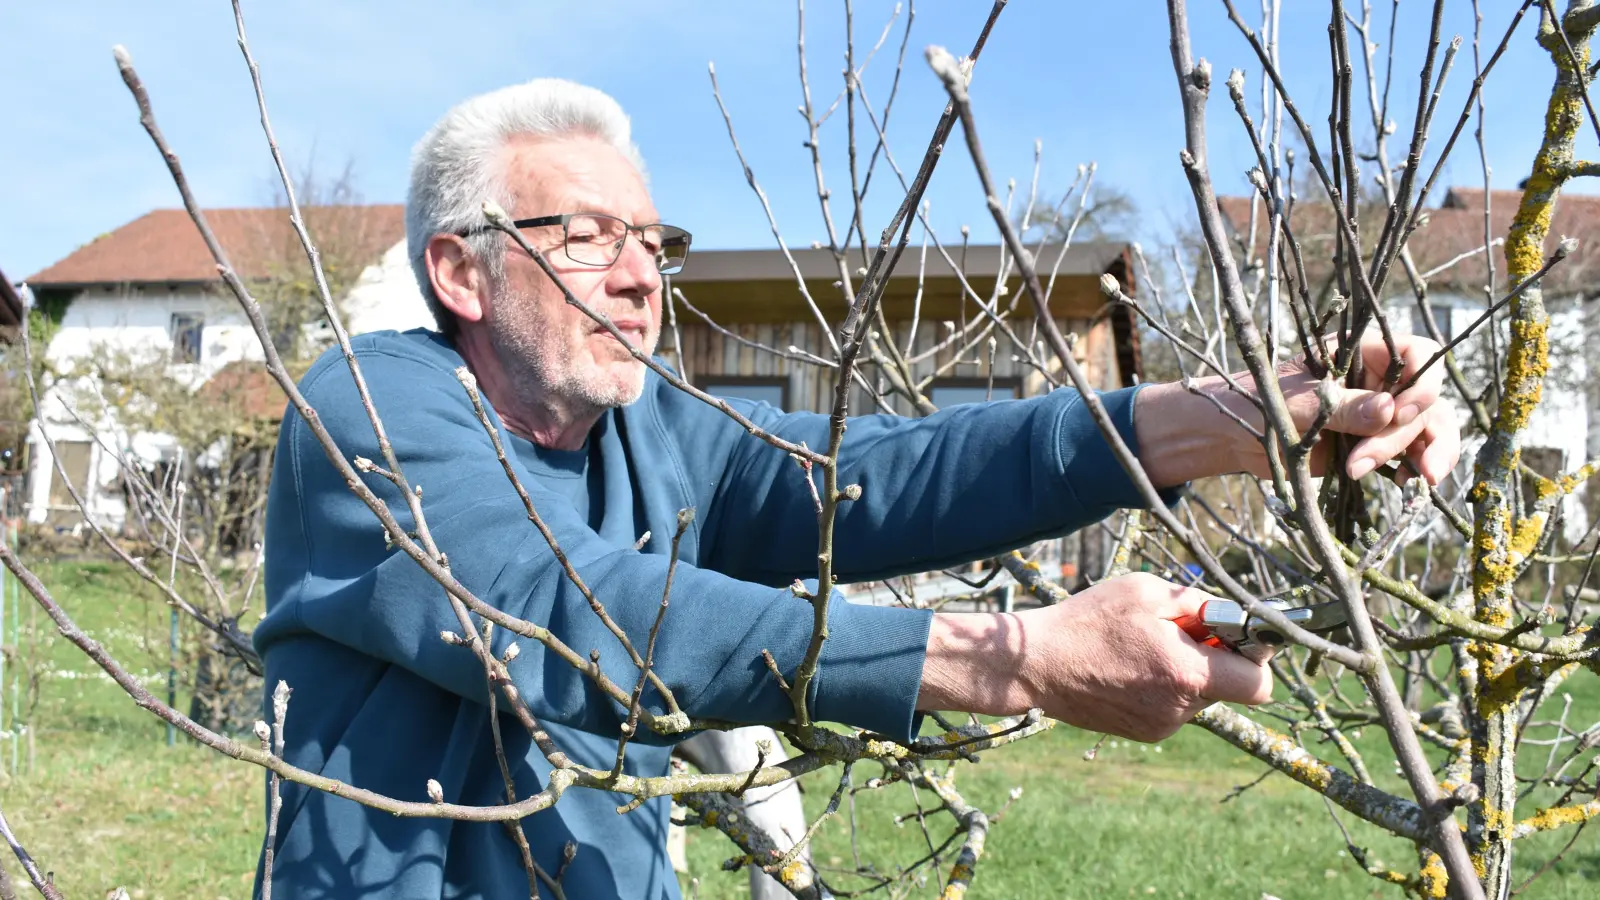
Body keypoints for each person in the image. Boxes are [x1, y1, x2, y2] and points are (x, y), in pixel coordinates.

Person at [252, 78, 1460, 899]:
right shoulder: (366, 407)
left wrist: (1235, 416)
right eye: (585, 235)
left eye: (652, 243)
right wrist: (1017, 657)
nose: (638, 279)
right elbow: (573, 608)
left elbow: (885, 478)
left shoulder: (656, 435)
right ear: (461, 271)